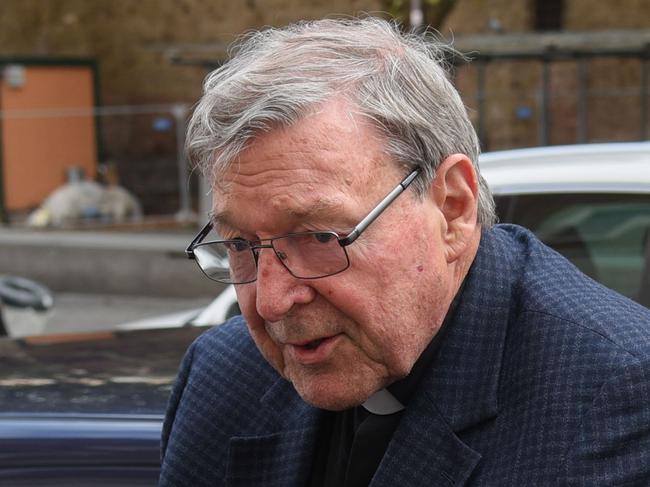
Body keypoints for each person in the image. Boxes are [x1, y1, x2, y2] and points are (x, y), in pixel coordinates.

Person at [159, 17, 650, 486]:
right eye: (242, 246)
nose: (271, 301)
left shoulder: (614, 400)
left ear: (452, 207)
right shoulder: (220, 375)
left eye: (318, 238)